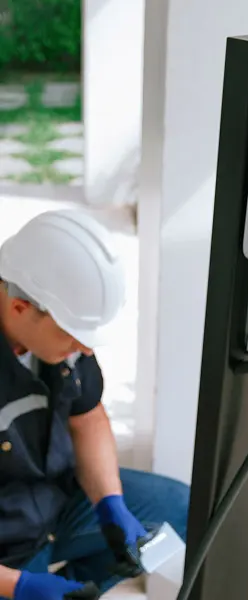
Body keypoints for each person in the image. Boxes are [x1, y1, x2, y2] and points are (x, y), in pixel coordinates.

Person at [0, 209, 190, 599]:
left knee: (179, 508)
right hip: (7, 541)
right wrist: (18, 586)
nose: (85, 348)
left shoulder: (59, 339)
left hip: (56, 496)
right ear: (19, 307)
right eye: (73, 334)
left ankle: (75, 588)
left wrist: (109, 502)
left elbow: (87, 418)